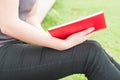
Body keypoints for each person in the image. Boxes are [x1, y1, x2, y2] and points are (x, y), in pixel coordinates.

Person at [0, 0, 120, 80]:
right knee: (89, 53)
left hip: (15, 45)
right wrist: (59, 44)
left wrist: (50, 40)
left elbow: (30, 17)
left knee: (94, 47)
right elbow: (8, 25)